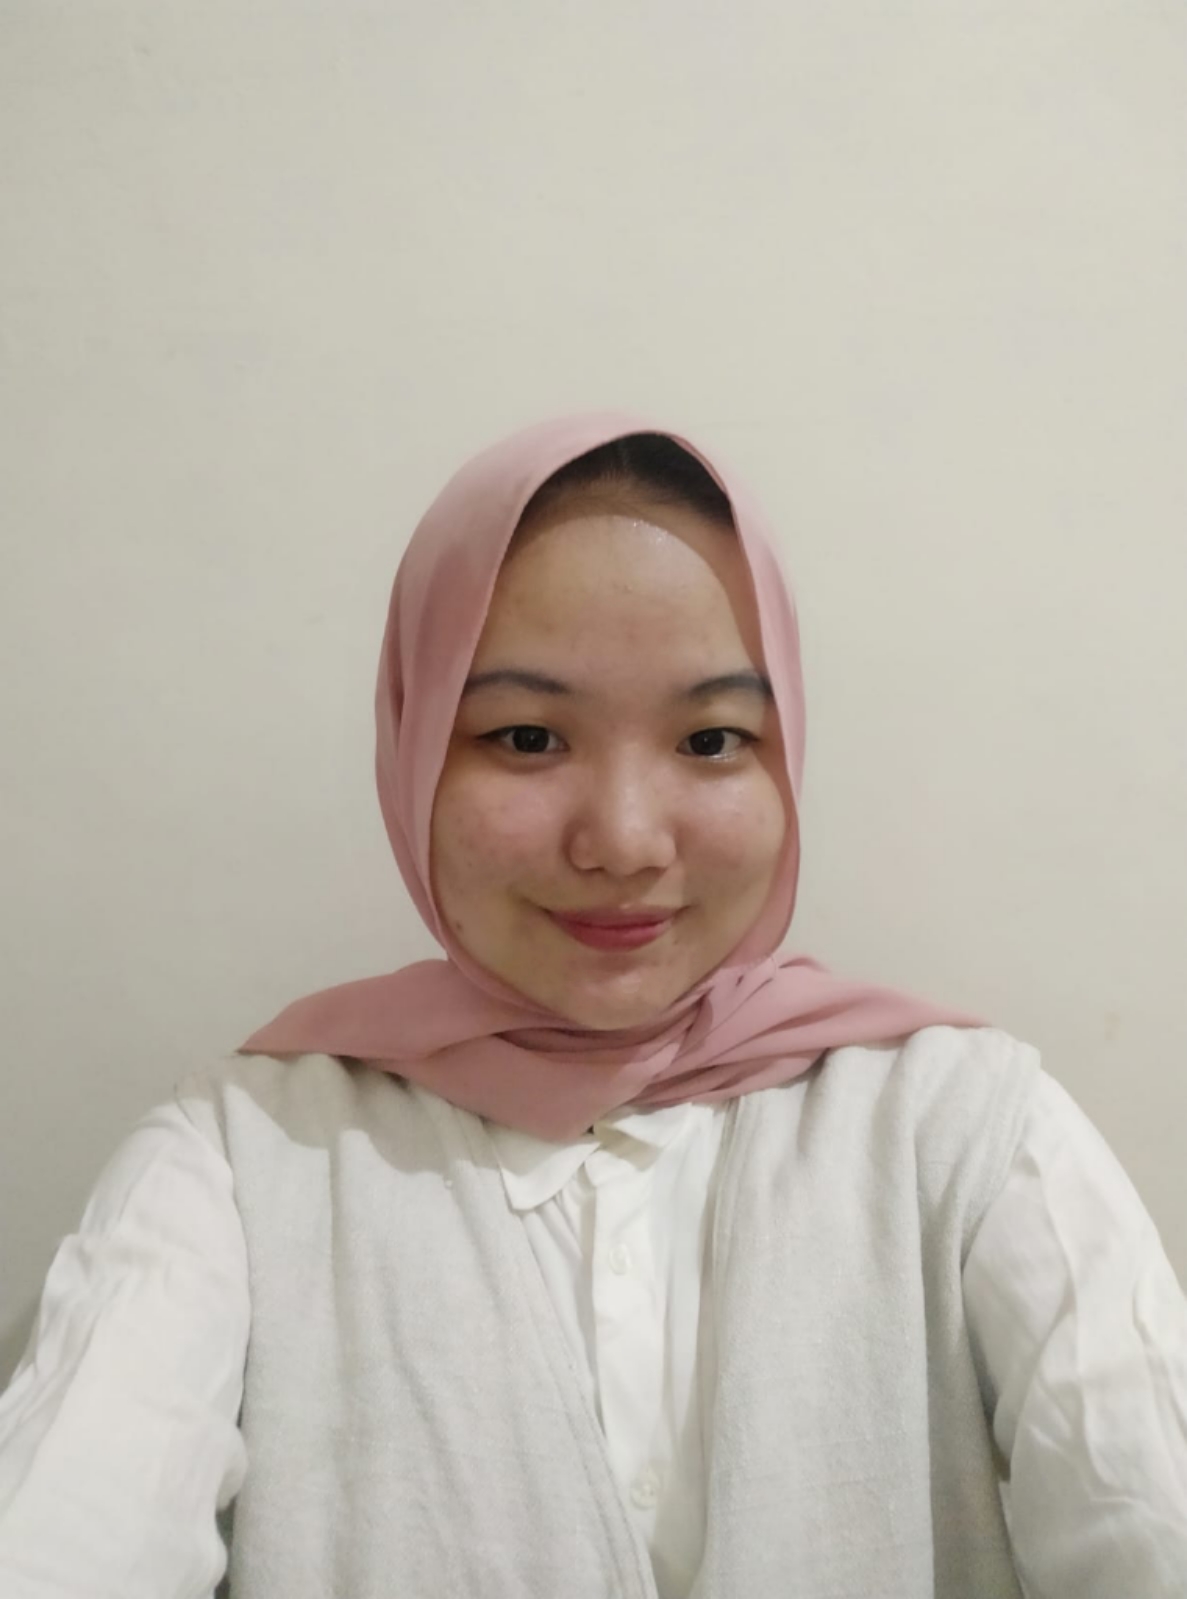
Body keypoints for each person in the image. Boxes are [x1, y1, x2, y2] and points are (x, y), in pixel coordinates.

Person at [0, 414, 1184, 1599]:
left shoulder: (964, 1130)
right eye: (526, 737)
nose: (623, 840)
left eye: (710, 739)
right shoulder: (242, 1159)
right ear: (413, 744)